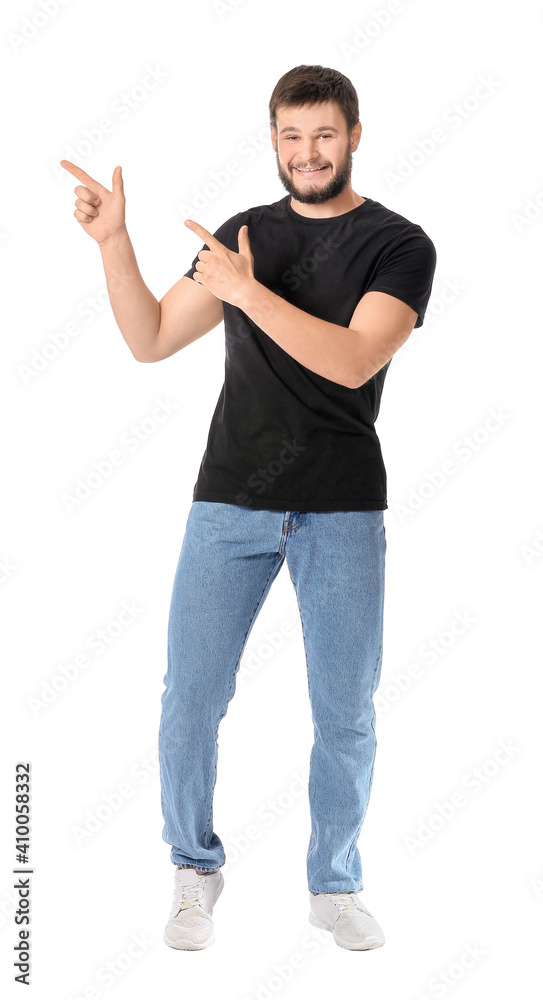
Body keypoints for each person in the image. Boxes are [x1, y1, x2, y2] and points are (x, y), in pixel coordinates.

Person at [61, 63, 437, 953]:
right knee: (188, 699)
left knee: (345, 710)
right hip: (228, 502)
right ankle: (194, 870)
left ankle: (333, 885)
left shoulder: (399, 244)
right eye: (291, 135)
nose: (308, 152)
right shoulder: (241, 237)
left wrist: (244, 292)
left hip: (341, 507)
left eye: (324, 134)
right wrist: (114, 243)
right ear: (272, 141)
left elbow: (351, 361)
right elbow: (151, 338)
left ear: (353, 136)